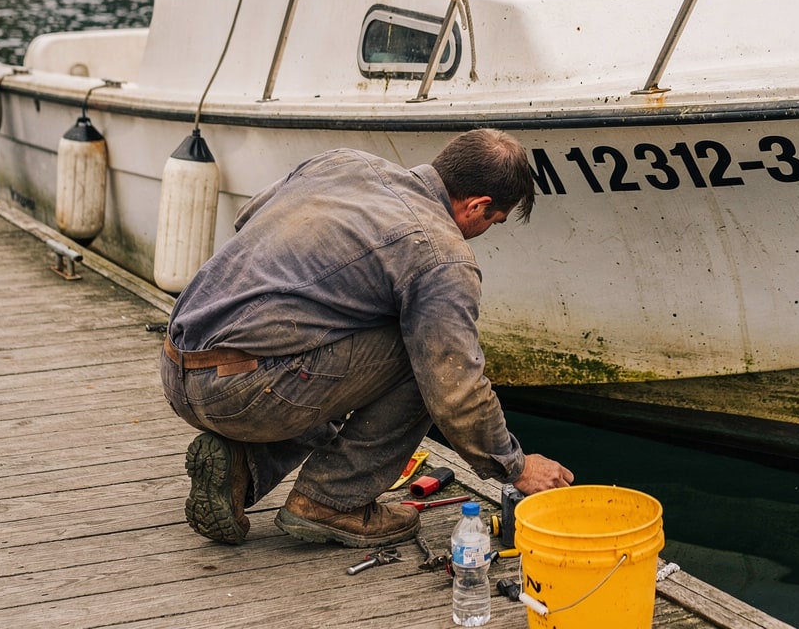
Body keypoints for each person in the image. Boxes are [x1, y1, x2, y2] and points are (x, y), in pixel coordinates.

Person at [159, 128, 574, 548]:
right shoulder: (441, 255)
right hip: (243, 392)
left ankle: (242, 467)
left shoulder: (343, 162)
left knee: (345, 328)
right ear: (478, 206)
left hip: (178, 364)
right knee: (424, 357)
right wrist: (516, 466)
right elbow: (456, 389)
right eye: (494, 222)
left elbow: (247, 218)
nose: (487, 229)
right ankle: (330, 502)